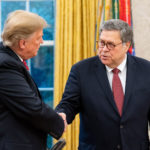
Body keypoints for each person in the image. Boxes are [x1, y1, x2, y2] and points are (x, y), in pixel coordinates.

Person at [55, 19, 150, 150]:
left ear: (126, 46)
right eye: (101, 43)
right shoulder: (81, 70)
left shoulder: (146, 70)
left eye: (110, 45)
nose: (104, 49)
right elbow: (68, 104)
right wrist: (62, 114)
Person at [0, 10, 64, 150]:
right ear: (23, 43)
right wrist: (59, 122)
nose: (42, 41)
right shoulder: (5, 65)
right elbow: (31, 107)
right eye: (38, 38)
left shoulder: (10, 60)